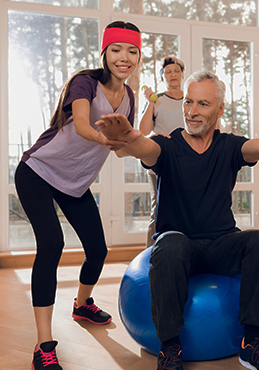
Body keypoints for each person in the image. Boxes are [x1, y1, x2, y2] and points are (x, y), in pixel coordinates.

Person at [96, 70, 259, 370]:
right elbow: (143, 148)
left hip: (220, 244)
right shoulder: (168, 145)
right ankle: (170, 348)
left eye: (202, 104)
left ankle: (251, 343)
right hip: (178, 248)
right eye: (188, 102)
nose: (191, 111)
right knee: (171, 243)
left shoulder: (230, 146)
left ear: (219, 109)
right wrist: (125, 138)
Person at [14, 20, 141, 370]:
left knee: (98, 250)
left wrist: (150, 147)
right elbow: (84, 124)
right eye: (116, 49)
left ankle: (82, 305)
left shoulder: (129, 97)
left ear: (139, 56)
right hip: (38, 171)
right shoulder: (85, 82)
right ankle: (44, 345)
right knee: (52, 245)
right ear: (105, 52)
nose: (124, 57)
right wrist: (104, 138)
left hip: (73, 184)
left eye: (132, 51)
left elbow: (121, 146)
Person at [139, 56, 185, 247]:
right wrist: (150, 102)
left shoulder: (190, 100)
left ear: (182, 74)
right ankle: (151, 255)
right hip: (161, 162)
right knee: (158, 209)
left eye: (176, 70)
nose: (173, 74)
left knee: (186, 209)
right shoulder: (157, 100)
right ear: (162, 76)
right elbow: (143, 131)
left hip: (187, 161)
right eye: (168, 71)